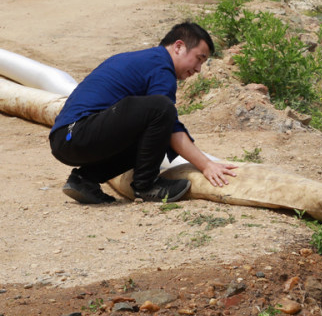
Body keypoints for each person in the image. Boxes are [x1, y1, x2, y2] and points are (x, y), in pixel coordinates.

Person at [49, 21, 237, 204]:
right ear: (178, 47)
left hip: (67, 138)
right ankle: (147, 185)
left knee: (153, 132)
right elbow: (169, 123)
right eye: (199, 58)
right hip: (77, 133)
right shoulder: (161, 67)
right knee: (161, 108)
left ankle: (84, 180)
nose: (198, 69)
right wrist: (206, 165)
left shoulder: (145, 60)